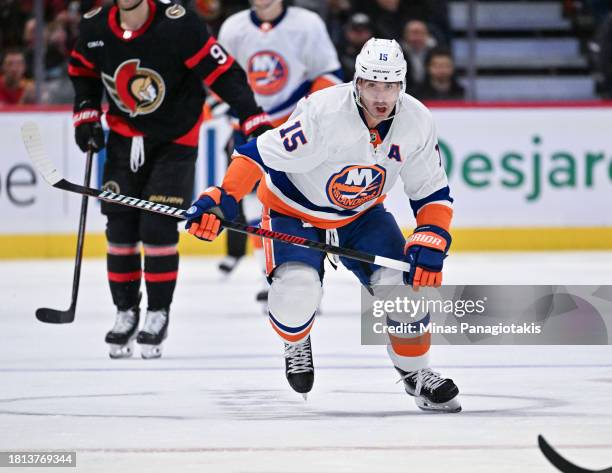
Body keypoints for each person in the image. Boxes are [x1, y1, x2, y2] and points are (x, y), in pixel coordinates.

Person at [185, 38, 461, 412]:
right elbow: (256, 153)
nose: (381, 96)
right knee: (297, 290)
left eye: (390, 85)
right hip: (293, 210)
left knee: (404, 290)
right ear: (357, 83)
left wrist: (432, 238)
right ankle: (296, 340)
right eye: (373, 85)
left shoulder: (416, 121)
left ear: (403, 85)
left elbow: (431, 191)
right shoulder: (325, 112)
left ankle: (416, 373)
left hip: (359, 215)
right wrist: (224, 197)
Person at [68, 0, 272, 359]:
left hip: (175, 141)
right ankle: (125, 311)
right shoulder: (95, 27)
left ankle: (157, 313)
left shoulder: (179, 24)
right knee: (120, 229)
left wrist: (251, 115)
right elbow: (82, 72)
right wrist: (85, 114)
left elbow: (222, 72)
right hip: (122, 140)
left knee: (158, 226)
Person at [213, 0, 343, 301]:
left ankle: (309, 279)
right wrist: (233, 108)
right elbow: (220, 78)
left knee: (301, 206)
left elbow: (330, 76)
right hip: (248, 128)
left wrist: (302, 115)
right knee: (253, 205)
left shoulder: (307, 24)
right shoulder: (233, 27)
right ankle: (269, 278)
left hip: (295, 133)